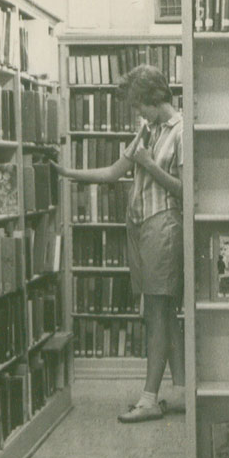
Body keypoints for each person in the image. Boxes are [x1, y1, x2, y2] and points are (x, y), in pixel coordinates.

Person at [51, 64, 185, 423]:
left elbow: (187, 191)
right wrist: (66, 173)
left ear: (155, 98)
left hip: (164, 225)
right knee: (161, 312)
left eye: (139, 104)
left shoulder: (183, 131)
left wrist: (148, 164)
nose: (136, 112)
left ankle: (149, 399)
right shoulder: (148, 129)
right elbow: (113, 173)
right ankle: (185, 392)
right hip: (140, 225)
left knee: (157, 312)